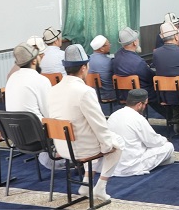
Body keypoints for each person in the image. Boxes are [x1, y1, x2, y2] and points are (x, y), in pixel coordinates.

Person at [48, 44, 124, 202]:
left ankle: (85, 184)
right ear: (84, 67)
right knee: (116, 144)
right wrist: (107, 145)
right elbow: (99, 124)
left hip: (62, 147)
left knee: (98, 140)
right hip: (80, 149)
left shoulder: (53, 90)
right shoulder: (85, 92)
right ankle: (100, 187)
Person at [5, 42, 59, 169]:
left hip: (16, 137)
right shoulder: (40, 80)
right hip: (39, 139)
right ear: (34, 61)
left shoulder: (11, 78)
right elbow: (49, 113)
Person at [106, 89, 174, 177]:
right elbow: (153, 142)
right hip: (130, 165)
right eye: (145, 104)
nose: (145, 107)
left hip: (112, 163)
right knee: (169, 146)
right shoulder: (138, 118)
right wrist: (165, 140)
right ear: (139, 105)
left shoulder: (114, 115)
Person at [112, 27, 168, 119]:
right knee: (159, 90)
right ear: (134, 42)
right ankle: (172, 117)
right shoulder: (138, 62)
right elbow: (150, 77)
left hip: (124, 94)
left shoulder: (117, 55)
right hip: (139, 93)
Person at [88, 35, 115, 102]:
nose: (110, 45)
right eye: (108, 44)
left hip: (93, 95)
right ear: (101, 49)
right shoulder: (110, 62)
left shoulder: (87, 60)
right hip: (109, 95)